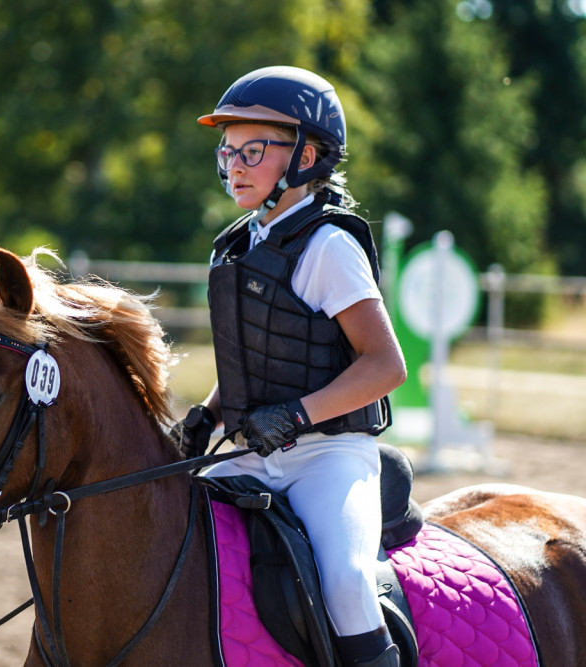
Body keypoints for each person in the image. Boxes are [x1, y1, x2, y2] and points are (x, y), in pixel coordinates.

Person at [172, 65, 407, 667]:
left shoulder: (329, 246)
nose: (235, 166)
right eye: (227, 151)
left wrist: (296, 415)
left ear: (305, 156)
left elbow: (385, 365)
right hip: (250, 452)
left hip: (327, 458)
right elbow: (257, 354)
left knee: (349, 584)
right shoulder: (240, 242)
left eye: (253, 149)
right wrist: (207, 414)